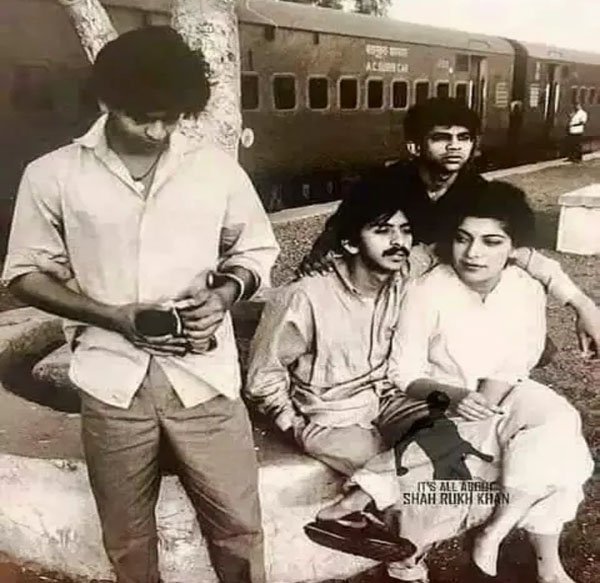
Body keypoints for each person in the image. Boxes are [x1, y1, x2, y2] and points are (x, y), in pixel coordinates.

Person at [2, 27, 279, 583]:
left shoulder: (215, 169)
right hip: (110, 382)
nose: (157, 132)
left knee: (240, 527)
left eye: (170, 119)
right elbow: (23, 274)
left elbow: (256, 249)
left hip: (205, 379)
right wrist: (112, 316)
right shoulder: (53, 174)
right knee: (126, 536)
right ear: (107, 101)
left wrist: (224, 294)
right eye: (143, 119)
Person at [325, 182, 594, 583]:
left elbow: (519, 358)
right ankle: (415, 550)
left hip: (502, 391)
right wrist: (457, 397)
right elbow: (403, 372)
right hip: (430, 398)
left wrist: (485, 401)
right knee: (500, 444)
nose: (473, 253)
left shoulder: (525, 288)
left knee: (558, 420)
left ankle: (493, 535)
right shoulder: (426, 290)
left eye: (491, 241)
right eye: (463, 238)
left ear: (514, 249)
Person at [299, 97, 600, 359]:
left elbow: (522, 254)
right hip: (386, 291)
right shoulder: (380, 185)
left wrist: (583, 305)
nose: (455, 146)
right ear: (415, 146)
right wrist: (317, 265)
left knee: (530, 341)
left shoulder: (479, 193)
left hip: (442, 290)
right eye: (442, 138)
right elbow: (338, 234)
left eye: (464, 137)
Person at [245, 173, 437, 576]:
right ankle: (407, 569)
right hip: (332, 416)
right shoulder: (304, 297)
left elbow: (470, 247)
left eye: (405, 230)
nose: (398, 242)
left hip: (389, 400)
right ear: (349, 243)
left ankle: (352, 516)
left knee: (456, 440)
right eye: (382, 231)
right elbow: (263, 377)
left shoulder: (409, 274)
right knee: (404, 485)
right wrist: (293, 425)